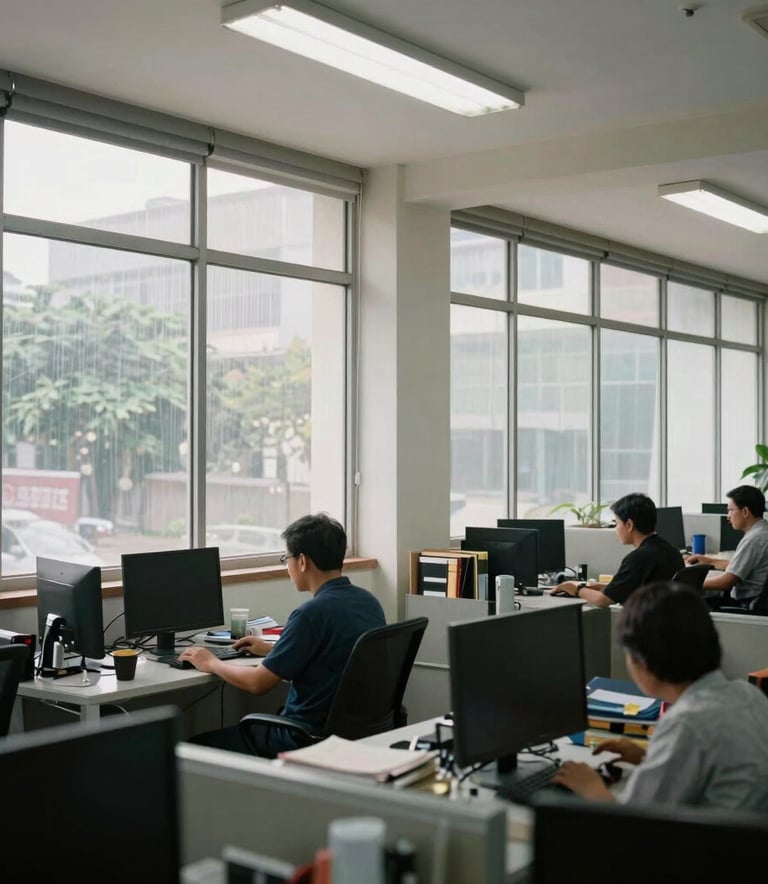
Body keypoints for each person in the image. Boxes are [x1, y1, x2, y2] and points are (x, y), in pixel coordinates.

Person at [179, 512, 386, 757]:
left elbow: (258, 684)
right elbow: (335, 659)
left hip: (302, 739)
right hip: (353, 735)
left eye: (285, 558)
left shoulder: (310, 614)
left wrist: (211, 662)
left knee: (189, 748)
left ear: (302, 561)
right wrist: (273, 651)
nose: (286, 566)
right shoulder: (368, 602)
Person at [552, 581, 768, 809]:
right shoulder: (748, 695)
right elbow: (716, 768)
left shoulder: (685, 723)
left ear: (643, 660)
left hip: (719, 843)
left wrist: (590, 788)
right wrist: (649, 758)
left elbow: (637, 824)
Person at [552, 493, 683, 607]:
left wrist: (576, 588)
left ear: (629, 525)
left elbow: (602, 600)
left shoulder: (638, 558)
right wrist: (601, 587)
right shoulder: (671, 551)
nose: (616, 529)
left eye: (617, 523)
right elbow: (628, 588)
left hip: (647, 628)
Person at [685, 485, 768, 610]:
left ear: (745, 511)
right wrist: (710, 561)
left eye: (730, 510)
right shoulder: (762, 531)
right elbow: (740, 565)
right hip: (754, 600)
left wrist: (690, 584)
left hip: (746, 605)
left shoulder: (754, 539)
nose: (728, 516)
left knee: (690, 602)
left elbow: (727, 581)